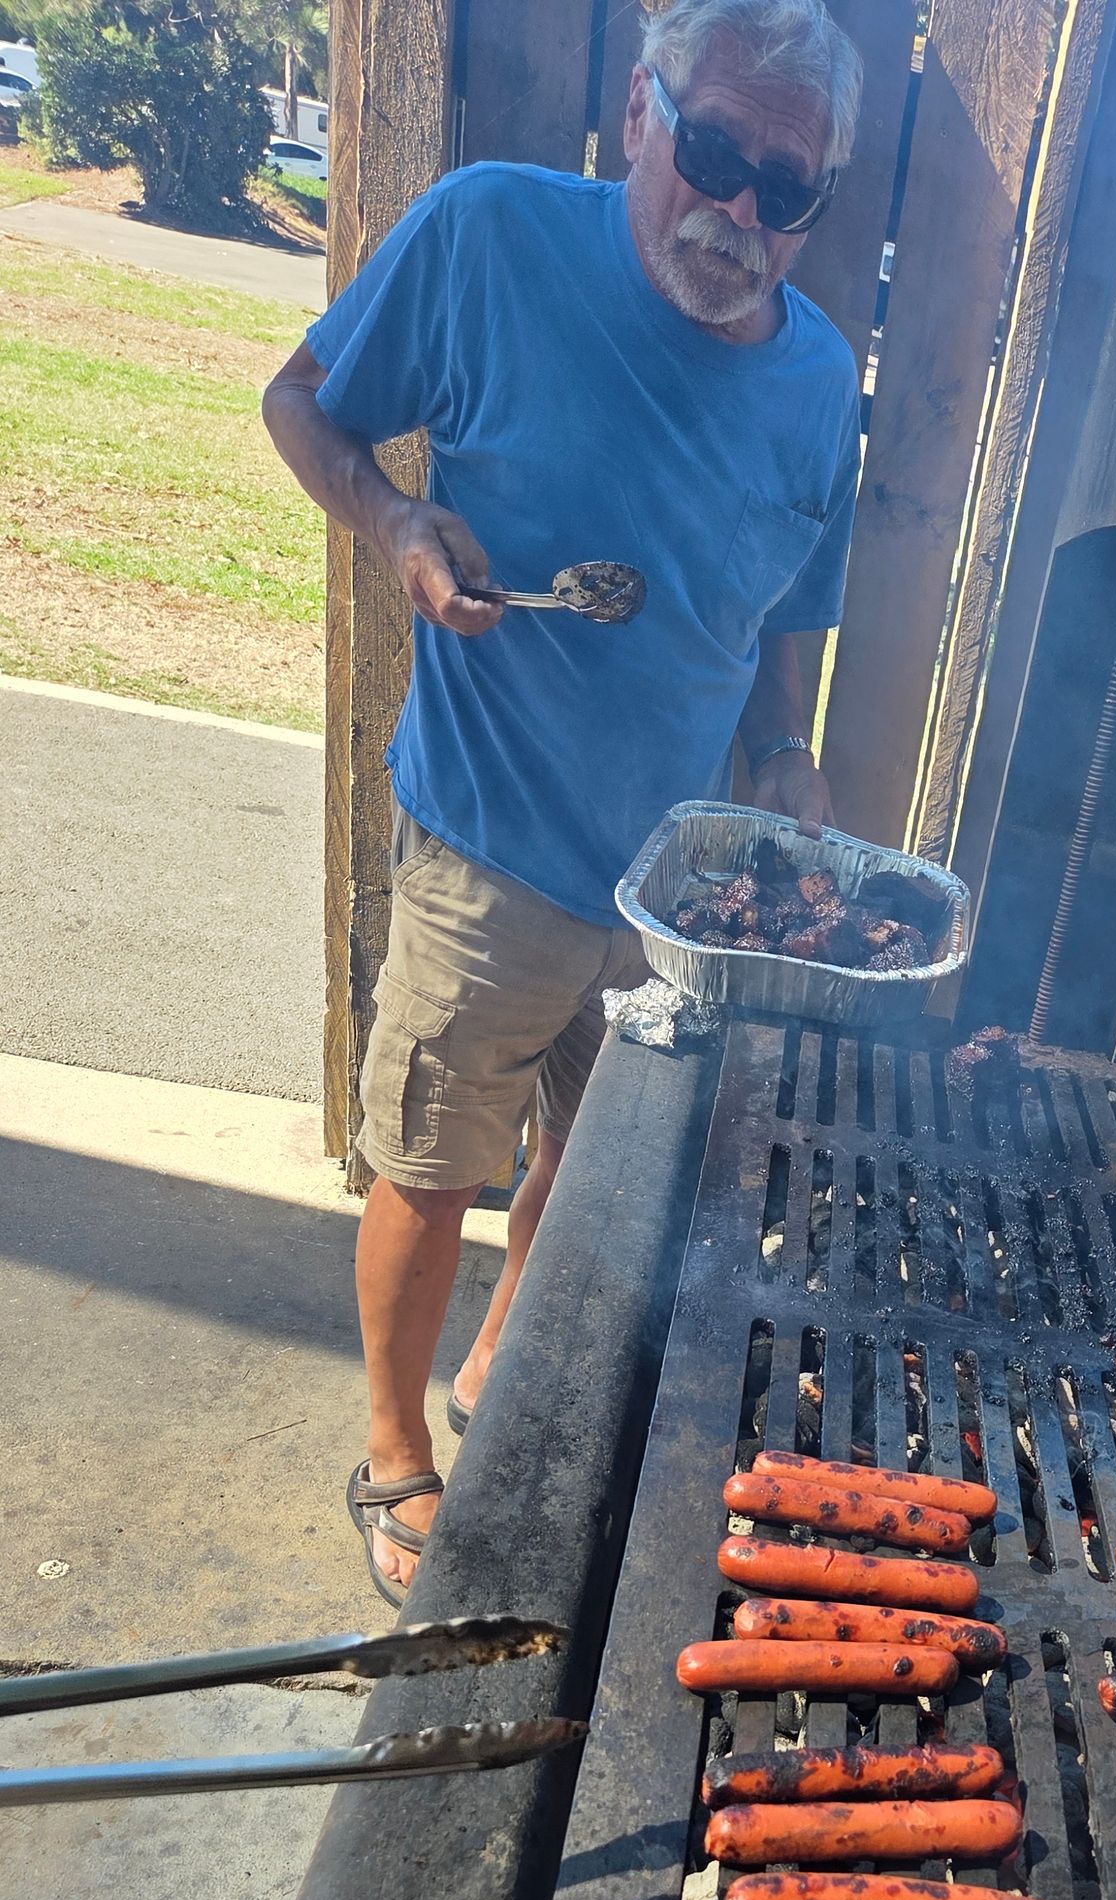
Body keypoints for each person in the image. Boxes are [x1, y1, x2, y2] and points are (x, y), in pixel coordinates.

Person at [262, 0, 863, 1602]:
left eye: (782, 189)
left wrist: (784, 756)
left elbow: (789, 608)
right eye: (717, 154)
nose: (735, 212)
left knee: (588, 1165)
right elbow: (300, 403)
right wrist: (397, 525)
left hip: (675, 897)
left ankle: (501, 1380)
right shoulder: (489, 237)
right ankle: (397, 1453)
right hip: (491, 842)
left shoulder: (821, 382)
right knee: (429, 1161)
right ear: (644, 113)